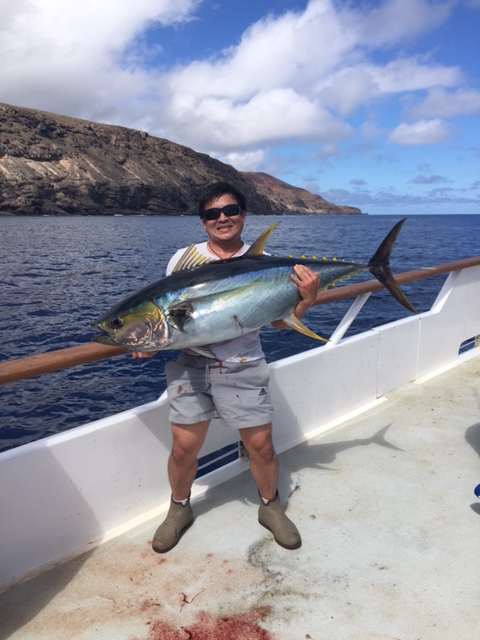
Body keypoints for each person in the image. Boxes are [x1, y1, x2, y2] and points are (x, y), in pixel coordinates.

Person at [133, 181, 320, 552]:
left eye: (230, 211)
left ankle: (270, 507)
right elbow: (172, 321)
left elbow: (281, 322)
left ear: (243, 215)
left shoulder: (265, 263)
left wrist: (307, 298)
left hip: (243, 363)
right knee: (184, 448)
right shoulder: (182, 259)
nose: (223, 219)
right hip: (192, 365)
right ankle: (179, 509)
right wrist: (149, 341)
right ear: (203, 221)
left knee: (261, 447)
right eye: (212, 213)